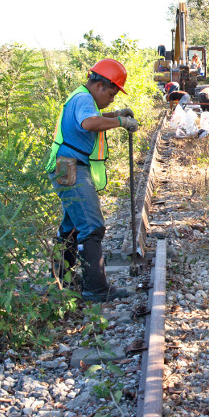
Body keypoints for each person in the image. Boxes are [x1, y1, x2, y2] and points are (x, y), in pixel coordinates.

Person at [44, 58, 140, 303]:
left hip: (68, 165)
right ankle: (95, 289)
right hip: (71, 166)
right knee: (92, 226)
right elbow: (89, 122)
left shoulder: (82, 97)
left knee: (71, 227)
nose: (111, 99)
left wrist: (115, 114)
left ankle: (62, 281)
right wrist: (121, 122)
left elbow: (93, 116)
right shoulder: (84, 99)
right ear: (99, 86)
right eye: (111, 94)